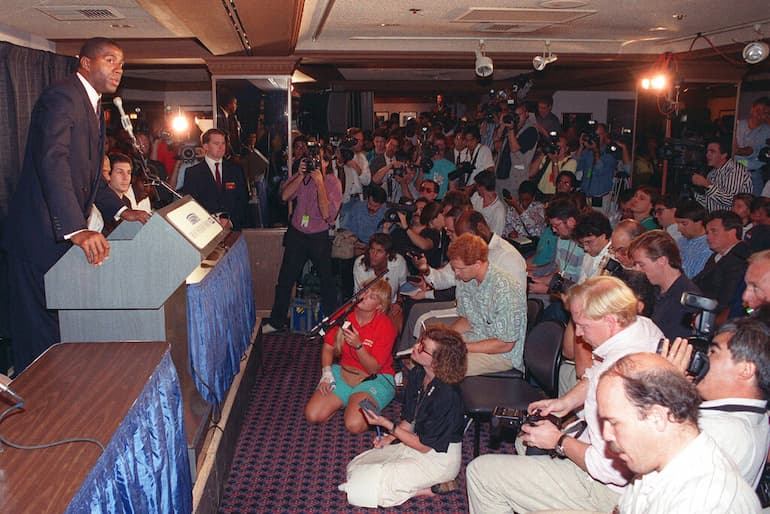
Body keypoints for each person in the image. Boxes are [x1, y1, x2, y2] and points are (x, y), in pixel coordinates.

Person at [3, 37, 151, 372]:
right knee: (37, 333)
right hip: (37, 237)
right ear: (85, 62)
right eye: (110, 60)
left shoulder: (94, 105)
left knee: (57, 329)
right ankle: (38, 409)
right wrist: (77, 229)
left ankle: (58, 396)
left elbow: (88, 175)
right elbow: (52, 162)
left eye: (122, 63)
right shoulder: (61, 97)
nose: (119, 69)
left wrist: (119, 209)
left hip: (55, 238)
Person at [466, 276, 662, 513]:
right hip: (627, 473)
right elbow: (594, 372)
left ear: (610, 321)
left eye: (583, 325)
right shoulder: (642, 326)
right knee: (526, 440)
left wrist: (559, 441)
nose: (578, 334)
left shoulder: (619, 378)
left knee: (481, 473)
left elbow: (608, 469)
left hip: (609, 491)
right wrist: (565, 402)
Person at [597, 353, 762, 513]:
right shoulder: (654, 459)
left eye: (613, 423)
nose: (606, 435)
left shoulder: (705, 502)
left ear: (657, 417)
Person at [340, 326, 466, 508]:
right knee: (355, 467)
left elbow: (424, 447)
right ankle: (419, 484)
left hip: (437, 458)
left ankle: (429, 489)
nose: (415, 347)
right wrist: (389, 438)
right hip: (413, 443)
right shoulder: (418, 374)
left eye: (423, 348)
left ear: (437, 363)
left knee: (363, 492)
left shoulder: (447, 395)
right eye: (420, 342)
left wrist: (387, 426)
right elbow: (410, 419)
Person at [662, 317, 770, 488]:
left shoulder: (721, 431)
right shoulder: (759, 416)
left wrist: (666, 388)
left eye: (713, 352)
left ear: (745, 369)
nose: (702, 359)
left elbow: (645, 455)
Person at [262, 140, 342, 334]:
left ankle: (330, 322)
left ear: (327, 162)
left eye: (320, 160)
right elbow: (284, 196)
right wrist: (299, 175)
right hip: (297, 233)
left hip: (318, 236)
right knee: (285, 279)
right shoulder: (301, 177)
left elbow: (328, 215)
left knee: (326, 281)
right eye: (313, 159)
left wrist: (320, 183)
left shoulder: (332, 182)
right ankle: (277, 320)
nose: (316, 163)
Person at [304, 278, 396, 434]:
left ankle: (354, 400)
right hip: (344, 373)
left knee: (353, 425)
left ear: (379, 306)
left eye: (372, 297)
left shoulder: (385, 326)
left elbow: (373, 368)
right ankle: (349, 399)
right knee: (312, 415)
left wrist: (358, 346)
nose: (364, 297)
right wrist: (326, 374)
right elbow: (328, 346)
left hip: (375, 378)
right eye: (364, 291)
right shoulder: (344, 314)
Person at [446, 233, 526, 375]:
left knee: (444, 364)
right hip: (477, 339)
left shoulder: (505, 289)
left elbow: (505, 344)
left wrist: (462, 347)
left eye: (460, 269)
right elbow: (467, 320)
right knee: (433, 352)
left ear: (477, 264)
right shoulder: (467, 280)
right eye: (454, 268)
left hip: (501, 355)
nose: (456, 273)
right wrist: (444, 337)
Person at [629, 230, 701, 339]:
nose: (636, 270)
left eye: (641, 264)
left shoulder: (688, 302)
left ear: (662, 261)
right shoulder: (652, 291)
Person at [179, 128, 249, 229]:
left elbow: (243, 200)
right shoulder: (193, 173)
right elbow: (191, 204)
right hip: (206, 228)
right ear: (205, 146)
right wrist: (210, 221)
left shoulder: (236, 170)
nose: (221, 147)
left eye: (223, 143)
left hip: (233, 228)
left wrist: (231, 221)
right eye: (216, 143)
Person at [693, 210, 750, 312]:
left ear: (732, 232)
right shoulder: (717, 256)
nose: (708, 237)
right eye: (707, 233)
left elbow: (726, 300)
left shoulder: (740, 259)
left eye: (714, 231)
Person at [692, 137, 752, 212]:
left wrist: (707, 185)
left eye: (712, 152)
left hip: (732, 220)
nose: (707, 155)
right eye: (707, 151)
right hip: (715, 218)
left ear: (724, 155)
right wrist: (697, 192)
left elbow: (731, 201)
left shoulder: (735, 170)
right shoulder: (712, 173)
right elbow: (710, 204)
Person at [734, 96, 770, 195]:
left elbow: (756, 151)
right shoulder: (737, 125)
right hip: (735, 172)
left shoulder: (767, 131)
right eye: (758, 110)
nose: (760, 114)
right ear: (752, 109)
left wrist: (740, 151)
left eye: (765, 113)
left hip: (754, 175)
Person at [674, 200, 712, 278]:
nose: (679, 229)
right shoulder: (680, 241)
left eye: (684, 223)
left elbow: (696, 278)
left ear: (699, 223)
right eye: (678, 223)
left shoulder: (708, 247)